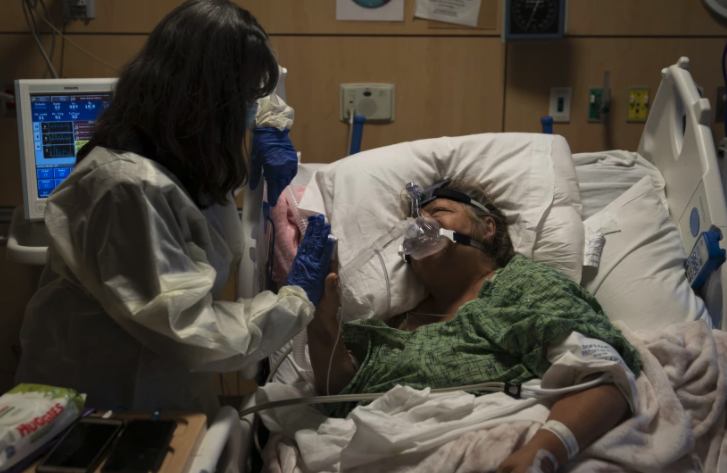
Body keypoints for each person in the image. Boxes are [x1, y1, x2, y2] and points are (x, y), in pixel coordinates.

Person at [15, 0, 334, 418]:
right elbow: (190, 333)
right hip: (103, 400)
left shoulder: (180, 157)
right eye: (244, 100)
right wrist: (293, 301)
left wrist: (271, 125)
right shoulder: (124, 188)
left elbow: (202, 202)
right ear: (207, 104)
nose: (249, 111)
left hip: (164, 388)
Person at [307, 179, 642, 473]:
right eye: (412, 222)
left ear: (487, 227)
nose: (420, 225)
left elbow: (602, 374)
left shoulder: (524, 286)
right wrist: (320, 322)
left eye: (438, 212)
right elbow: (344, 399)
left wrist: (543, 452)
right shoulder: (395, 325)